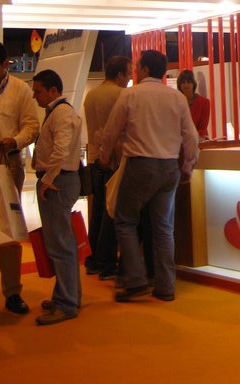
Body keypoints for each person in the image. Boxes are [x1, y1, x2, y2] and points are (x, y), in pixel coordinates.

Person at [100, 50, 199, 303]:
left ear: (144, 69)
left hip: (140, 165)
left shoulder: (130, 94)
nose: (135, 70)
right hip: (169, 167)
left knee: (124, 221)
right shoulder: (177, 97)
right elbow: (191, 136)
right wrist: (188, 165)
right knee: (164, 228)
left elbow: (111, 130)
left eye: (138, 66)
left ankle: (135, 280)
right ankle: (166, 286)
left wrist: (104, 155)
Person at [31, 69, 83, 325]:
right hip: (60, 180)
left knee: (60, 245)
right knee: (63, 243)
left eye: (38, 91)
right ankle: (68, 295)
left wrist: (47, 180)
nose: (35, 96)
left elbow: (60, 149)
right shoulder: (60, 112)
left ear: (53, 91)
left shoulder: (61, 113)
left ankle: (66, 303)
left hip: (58, 182)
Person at [0, 42, 40, 315]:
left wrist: (14, 141)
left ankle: (12, 292)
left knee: (9, 229)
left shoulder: (20, 90)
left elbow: (32, 126)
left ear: (5, 64)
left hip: (7, 162)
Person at [83, 55, 132, 279]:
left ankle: (93, 259)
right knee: (111, 213)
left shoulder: (91, 95)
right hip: (113, 159)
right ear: (120, 75)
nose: (129, 78)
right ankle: (106, 263)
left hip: (94, 158)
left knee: (98, 211)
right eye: (128, 74)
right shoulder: (120, 94)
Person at [176, 69, 210, 140]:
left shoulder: (204, 102)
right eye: (183, 82)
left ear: (193, 84)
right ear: (179, 85)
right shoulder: (175, 102)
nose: (186, 85)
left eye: (188, 82)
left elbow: (203, 128)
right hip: (179, 141)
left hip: (200, 140)